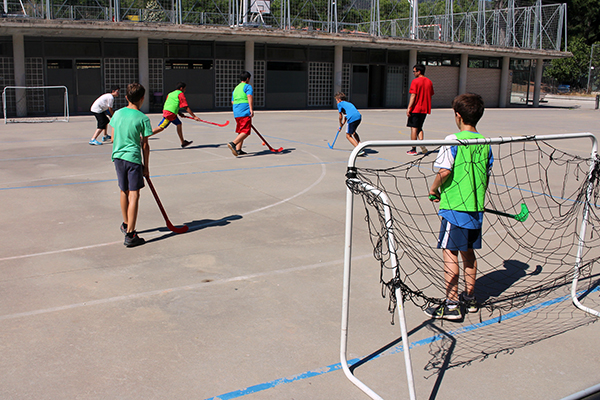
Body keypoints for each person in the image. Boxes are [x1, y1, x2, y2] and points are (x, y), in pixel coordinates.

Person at [425, 93, 493, 321]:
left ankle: (452, 304)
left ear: (458, 116)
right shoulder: (485, 142)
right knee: (469, 253)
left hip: (455, 209)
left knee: (449, 252)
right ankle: (471, 299)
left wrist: (434, 189)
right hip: (475, 209)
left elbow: (444, 171)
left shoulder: (452, 140)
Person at [110, 83, 154, 248]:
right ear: (142, 99)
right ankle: (130, 234)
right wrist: (146, 166)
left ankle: (126, 223)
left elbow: (113, 139)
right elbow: (145, 145)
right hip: (133, 159)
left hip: (118, 158)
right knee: (134, 195)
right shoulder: (143, 118)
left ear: (126, 97)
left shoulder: (118, 114)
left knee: (124, 190)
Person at [153, 82, 199, 148]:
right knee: (161, 127)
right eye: (184, 89)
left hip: (169, 112)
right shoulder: (180, 94)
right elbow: (186, 107)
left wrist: (179, 113)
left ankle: (183, 142)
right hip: (170, 114)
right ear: (181, 88)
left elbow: (172, 104)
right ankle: (144, 137)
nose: (185, 90)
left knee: (179, 124)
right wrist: (194, 117)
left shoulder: (170, 94)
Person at [406, 64, 434, 155]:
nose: (413, 73)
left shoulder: (415, 81)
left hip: (416, 108)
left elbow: (413, 95)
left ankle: (413, 148)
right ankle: (421, 143)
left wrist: (409, 107)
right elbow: (431, 94)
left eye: (414, 71)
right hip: (425, 109)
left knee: (414, 128)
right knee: (420, 127)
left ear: (419, 71)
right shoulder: (429, 82)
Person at [228, 71, 254, 157]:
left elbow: (232, 101)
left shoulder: (236, 88)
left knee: (241, 130)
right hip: (244, 111)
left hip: (237, 112)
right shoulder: (247, 86)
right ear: (247, 79)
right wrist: (251, 109)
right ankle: (233, 143)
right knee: (246, 131)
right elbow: (249, 96)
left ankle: (238, 149)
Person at [334, 92, 365, 156]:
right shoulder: (348, 103)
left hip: (352, 118)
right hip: (358, 117)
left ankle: (358, 150)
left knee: (348, 136)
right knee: (353, 132)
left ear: (339, 99)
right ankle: (359, 144)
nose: (336, 102)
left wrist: (340, 124)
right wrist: (341, 126)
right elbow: (346, 116)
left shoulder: (340, 104)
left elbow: (340, 116)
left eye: (336, 100)